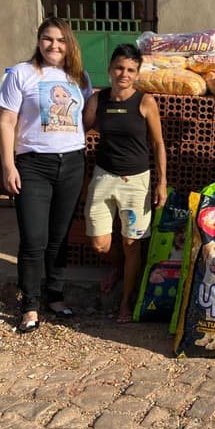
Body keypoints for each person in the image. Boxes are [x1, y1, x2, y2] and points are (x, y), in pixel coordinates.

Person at [0, 17, 93, 334]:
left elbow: (87, 117)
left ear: (70, 44)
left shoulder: (79, 77)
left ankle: (55, 296)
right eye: (48, 39)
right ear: (39, 41)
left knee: (59, 236)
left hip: (72, 163)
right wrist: (8, 165)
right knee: (33, 238)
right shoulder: (21, 74)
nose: (54, 45)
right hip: (33, 164)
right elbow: (7, 122)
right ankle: (30, 304)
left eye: (61, 40)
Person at [83, 44, 167, 323]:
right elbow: (81, 129)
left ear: (137, 73)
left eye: (131, 69)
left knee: (132, 242)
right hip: (103, 178)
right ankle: (117, 268)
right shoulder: (98, 100)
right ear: (110, 70)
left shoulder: (145, 102)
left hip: (136, 182)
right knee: (100, 244)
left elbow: (157, 143)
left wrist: (161, 182)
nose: (124, 74)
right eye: (119, 68)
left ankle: (125, 303)